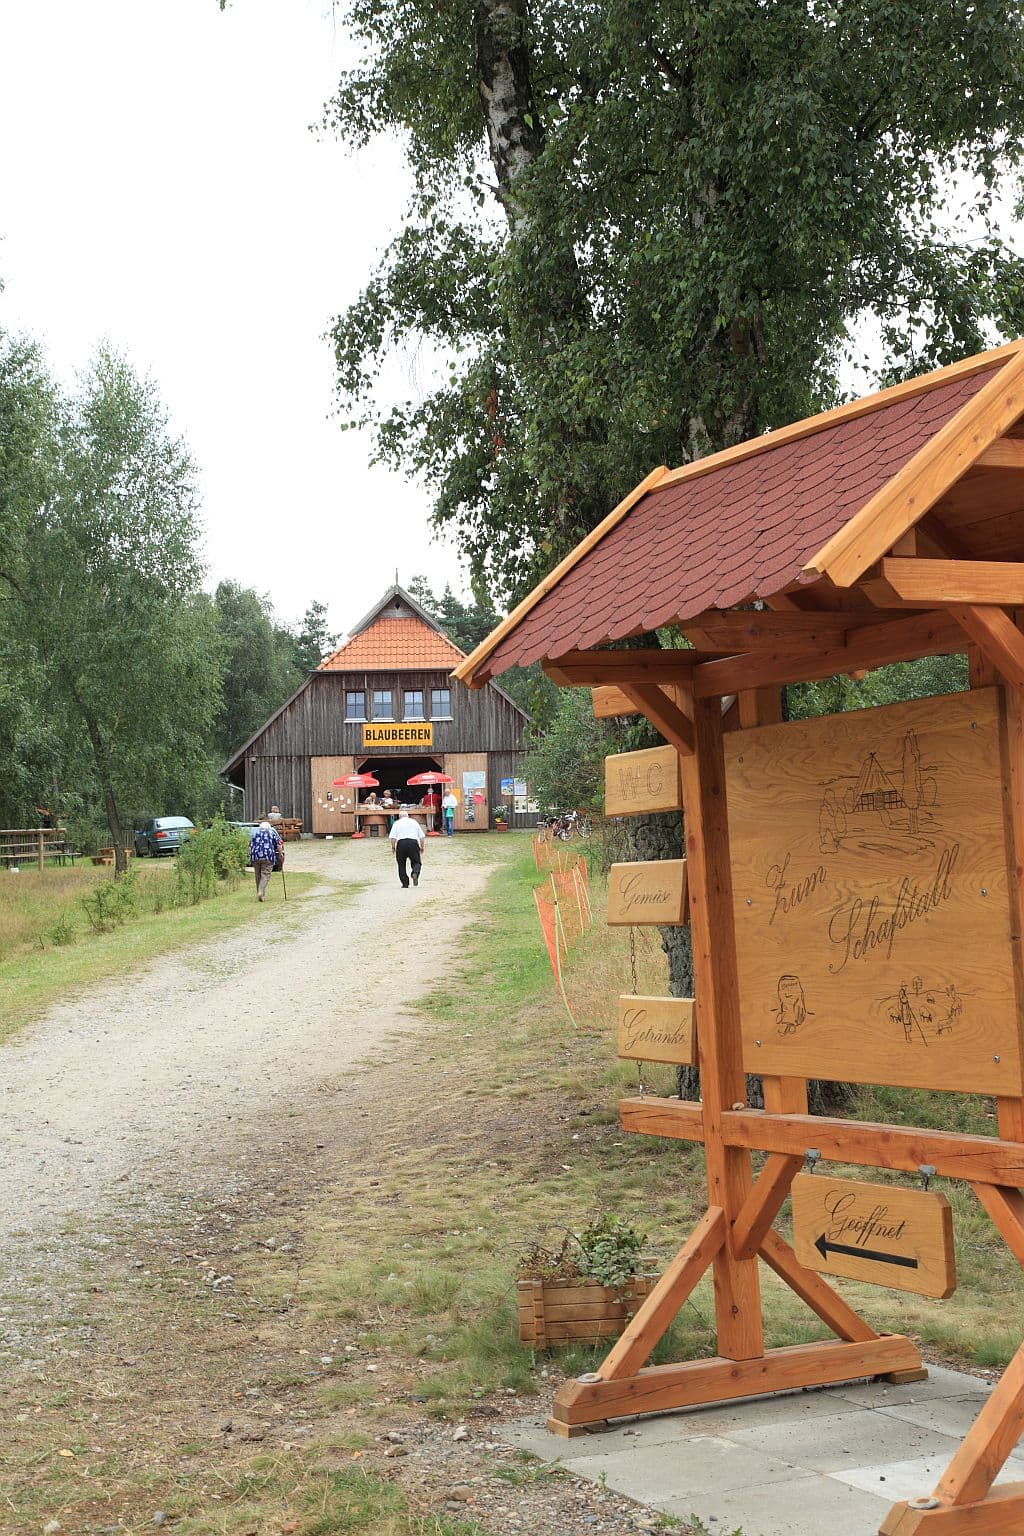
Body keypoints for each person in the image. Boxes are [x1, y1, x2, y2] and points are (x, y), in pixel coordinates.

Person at [389, 809, 426, 888]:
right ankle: (415, 873)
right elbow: (422, 837)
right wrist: (422, 847)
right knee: (416, 862)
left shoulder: (396, 823)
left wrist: (393, 847)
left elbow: (393, 837)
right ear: (408, 816)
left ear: (399, 817)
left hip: (401, 843)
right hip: (413, 843)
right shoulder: (414, 822)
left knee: (401, 864)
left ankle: (405, 883)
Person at [249, 818, 283, 902]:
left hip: (255, 857)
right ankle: (261, 892)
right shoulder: (271, 833)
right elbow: (279, 845)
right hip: (268, 856)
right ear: (268, 827)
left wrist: (251, 856)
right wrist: (280, 854)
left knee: (258, 875)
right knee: (265, 875)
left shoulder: (254, 834)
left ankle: (260, 894)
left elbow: (250, 847)